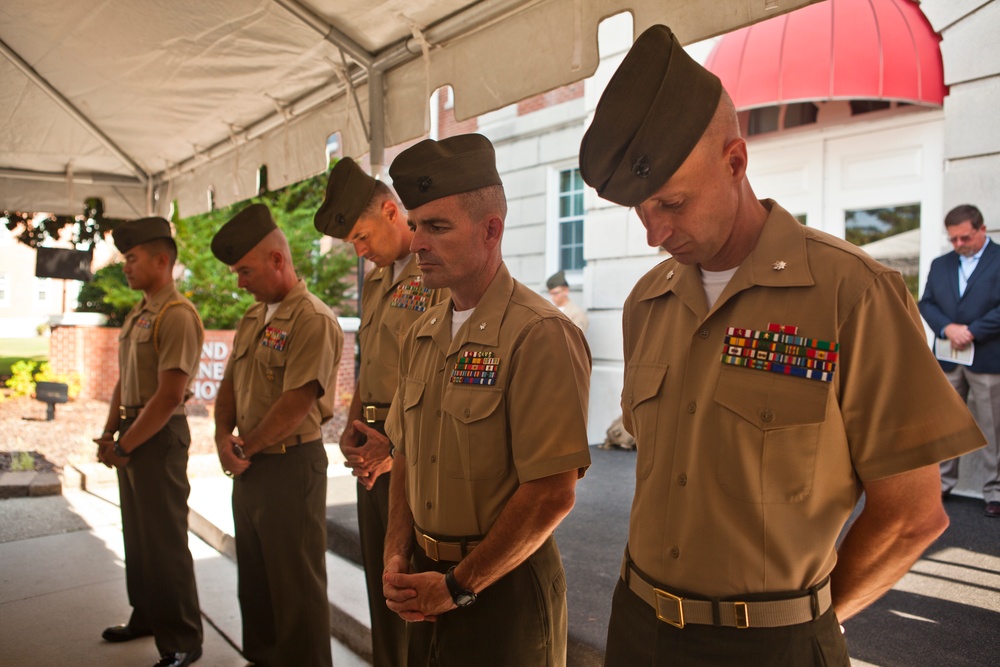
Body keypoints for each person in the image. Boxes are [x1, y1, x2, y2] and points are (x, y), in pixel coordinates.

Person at [578, 25, 986, 665]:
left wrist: (807, 631)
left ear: (735, 161)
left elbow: (912, 515)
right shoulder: (647, 303)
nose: (654, 232)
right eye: (639, 210)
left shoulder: (853, 293)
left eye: (672, 202)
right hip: (637, 626)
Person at [379, 133, 592, 666]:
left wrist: (457, 587)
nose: (417, 243)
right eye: (415, 226)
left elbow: (550, 493)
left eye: (437, 227)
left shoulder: (538, 333)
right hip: (426, 582)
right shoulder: (422, 330)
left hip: (502, 589)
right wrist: (394, 553)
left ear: (490, 230)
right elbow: (405, 454)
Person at [314, 157, 447, 665]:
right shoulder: (376, 280)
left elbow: (437, 375)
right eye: (354, 243)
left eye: (363, 236)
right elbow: (370, 364)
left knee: (410, 586)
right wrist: (350, 427)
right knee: (381, 584)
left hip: (413, 450)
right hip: (371, 448)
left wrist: (393, 449)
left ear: (392, 211)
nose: (361, 251)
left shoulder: (434, 267)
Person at [211, 203, 343, 667]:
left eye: (244, 271)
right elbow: (228, 385)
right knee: (257, 580)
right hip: (251, 466)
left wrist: (242, 446)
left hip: (290, 466)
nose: (239, 282)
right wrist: (221, 436)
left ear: (277, 260)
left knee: (296, 588)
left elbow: (296, 404)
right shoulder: (253, 318)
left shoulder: (313, 318)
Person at [94, 216, 204, 667]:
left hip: (157, 437)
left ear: (162, 261)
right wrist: (108, 432)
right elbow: (127, 381)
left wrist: (125, 446)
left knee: (164, 542)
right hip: (133, 432)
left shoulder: (176, 315)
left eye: (133, 258)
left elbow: (169, 395)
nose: (126, 267)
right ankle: (146, 615)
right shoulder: (140, 312)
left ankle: (182, 638)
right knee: (137, 538)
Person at [919, 204, 1000, 517]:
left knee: (992, 428)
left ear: (982, 229)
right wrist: (946, 327)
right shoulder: (941, 264)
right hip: (948, 360)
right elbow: (926, 302)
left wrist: (973, 331)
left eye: (964, 238)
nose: (958, 245)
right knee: (946, 425)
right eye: (953, 239)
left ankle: (994, 491)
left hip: (988, 359)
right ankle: (941, 484)